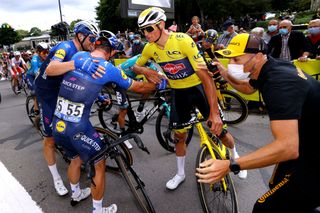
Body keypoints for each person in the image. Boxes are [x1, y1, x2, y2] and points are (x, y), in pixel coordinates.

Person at [196, 33, 320, 212]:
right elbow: (247, 88)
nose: (232, 64)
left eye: (236, 59)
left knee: (263, 208)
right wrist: (223, 73)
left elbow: (287, 147)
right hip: (305, 141)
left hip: (312, 156)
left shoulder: (279, 84)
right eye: (230, 59)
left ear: (259, 55)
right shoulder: (269, 67)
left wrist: (230, 165)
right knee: (277, 186)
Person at [134, 7, 246, 191]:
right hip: (178, 93)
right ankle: (180, 173)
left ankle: (236, 156)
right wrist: (146, 70)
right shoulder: (149, 48)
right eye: (142, 30)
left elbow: (206, 78)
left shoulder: (182, 40)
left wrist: (215, 113)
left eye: (149, 28)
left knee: (220, 131)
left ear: (162, 25)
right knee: (179, 137)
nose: (145, 34)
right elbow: (136, 66)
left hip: (198, 88)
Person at [52, 30, 163, 213]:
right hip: (78, 128)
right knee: (99, 163)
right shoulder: (109, 68)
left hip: (58, 124)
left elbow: (70, 81)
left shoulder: (79, 56)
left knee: (75, 159)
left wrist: (99, 96)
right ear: (111, 52)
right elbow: (139, 87)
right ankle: (98, 210)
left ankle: (76, 193)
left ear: (96, 44)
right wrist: (159, 84)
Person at [34, 20, 103, 197]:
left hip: (62, 91)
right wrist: (75, 64)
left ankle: (74, 155)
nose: (93, 42)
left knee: (75, 123)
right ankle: (57, 178)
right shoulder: (65, 47)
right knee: (49, 139)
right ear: (81, 36)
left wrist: (100, 95)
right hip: (47, 94)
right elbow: (51, 69)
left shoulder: (83, 52)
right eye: (92, 38)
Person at [26, 42, 50, 117]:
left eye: (47, 52)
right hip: (31, 76)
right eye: (44, 52)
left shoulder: (48, 58)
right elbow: (36, 71)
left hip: (41, 75)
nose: (46, 54)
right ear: (38, 52)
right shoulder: (34, 59)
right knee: (37, 90)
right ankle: (36, 109)